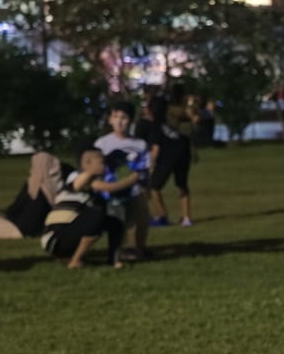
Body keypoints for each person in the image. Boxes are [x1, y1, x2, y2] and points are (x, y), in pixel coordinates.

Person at [41, 146, 138, 268]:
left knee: (115, 223)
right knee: (95, 215)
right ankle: (75, 261)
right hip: (55, 238)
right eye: (101, 162)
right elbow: (109, 187)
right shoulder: (79, 177)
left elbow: (108, 188)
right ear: (87, 162)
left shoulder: (92, 181)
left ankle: (114, 259)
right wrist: (132, 179)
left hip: (66, 234)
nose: (105, 165)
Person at [94, 101, 151, 259]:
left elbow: (144, 170)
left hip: (134, 190)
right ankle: (118, 250)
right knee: (118, 220)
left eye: (124, 117)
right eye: (116, 117)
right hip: (110, 192)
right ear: (110, 119)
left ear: (131, 121)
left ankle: (139, 248)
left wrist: (144, 186)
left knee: (142, 215)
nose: (119, 121)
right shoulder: (102, 144)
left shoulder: (139, 144)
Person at [0, 152, 63, 240]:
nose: (31, 170)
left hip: (19, 230)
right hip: (18, 226)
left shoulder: (38, 191)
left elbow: (16, 211)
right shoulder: (53, 189)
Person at [135, 95, 194, 227]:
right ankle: (187, 219)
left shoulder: (155, 126)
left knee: (154, 187)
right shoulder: (170, 123)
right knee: (182, 185)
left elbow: (156, 148)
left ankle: (162, 216)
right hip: (183, 153)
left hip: (168, 156)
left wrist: (151, 164)